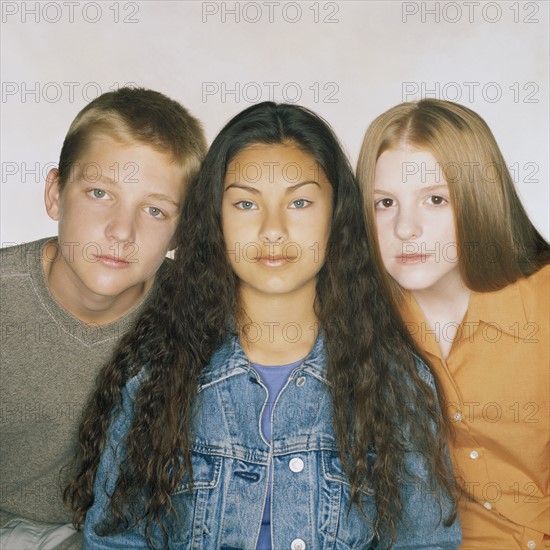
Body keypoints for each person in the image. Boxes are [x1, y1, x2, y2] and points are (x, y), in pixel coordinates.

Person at [66, 101, 460, 549]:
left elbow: (427, 543)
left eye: (299, 202)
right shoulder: (158, 375)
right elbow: (117, 540)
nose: (273, 229)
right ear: (216, 218)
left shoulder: (396, 381)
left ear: (337, 216)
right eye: (246, 203)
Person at [0, 87, 207, 549]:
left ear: (182, 229)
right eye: (99, 193)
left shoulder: (200, 318)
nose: (121, 230)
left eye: (154, 210)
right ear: (55, 194)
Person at [357, 98, 549, 549]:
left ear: (479, 201)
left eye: (435, 199)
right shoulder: (354, 316)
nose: (406, 228)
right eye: (385, 203)